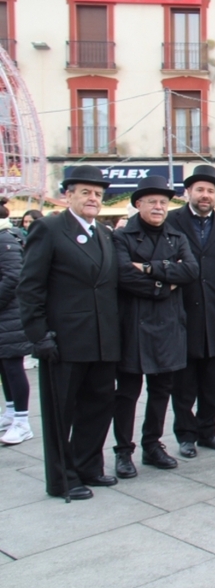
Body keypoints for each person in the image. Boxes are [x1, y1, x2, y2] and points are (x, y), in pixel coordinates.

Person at [18, 166, 120, 499]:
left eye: (98, 194)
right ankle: (62, 478)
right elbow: (30, 286)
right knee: (61, 412)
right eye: (86, 193)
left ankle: (88, 465)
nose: (93, 199)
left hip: (103, 339)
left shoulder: (104, 234)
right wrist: (39, 334)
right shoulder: (49, 229)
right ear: (68, 195)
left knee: (99, 405)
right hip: (65, 339)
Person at [112, 176, 198, 476]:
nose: (159, 207)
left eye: (163, 202)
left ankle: (152, 445)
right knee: (127, 392)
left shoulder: (177, 237)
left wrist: (149, 268)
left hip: (169, 326)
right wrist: (165, 283)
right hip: (133, 325)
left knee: (162, 389)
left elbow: (190, 271)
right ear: (139, 204)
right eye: (152, 202)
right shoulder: (122, 237)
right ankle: (123, 451)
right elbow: (123, 275)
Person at [166, 165, 215, 459]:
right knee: (184, 380)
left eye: (210, 191)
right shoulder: (171, 221)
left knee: (211, 378)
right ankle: (186, 434)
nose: (205, 196)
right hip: (181, 308)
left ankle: (208, 430)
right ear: (188, 192)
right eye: (200, 190)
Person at [0, 198, 34, 445]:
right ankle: (10, 412)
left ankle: (22, 421)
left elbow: (13, 277)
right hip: (5, 314)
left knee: (13, 365)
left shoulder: (5, 240)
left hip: (9, 314)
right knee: (4, 365)